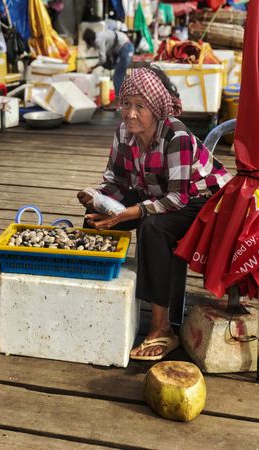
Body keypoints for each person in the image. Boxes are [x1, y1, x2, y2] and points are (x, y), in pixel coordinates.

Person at [77, 66, 232, 361]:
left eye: (140, 106)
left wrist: (129, 213)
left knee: (152, 227)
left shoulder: (177, 136)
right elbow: (115, 180)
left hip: (202, 203)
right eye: (126, 104)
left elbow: (178, 197)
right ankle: (100, 302)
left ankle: (162, 327)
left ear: (157, 108)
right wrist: (96, 196)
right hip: (154, 194)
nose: (130, 114)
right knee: (92, 218)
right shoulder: (124, 132)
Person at [82, 28, 134, 108]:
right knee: (121, 75)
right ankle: (123, 100)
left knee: (118, 75)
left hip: (125, 48)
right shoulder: (100, 35)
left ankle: (119, 101)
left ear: (90, 40)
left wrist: (93, 67)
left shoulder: (98, 40)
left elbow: (103, 59)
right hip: (125, 47)